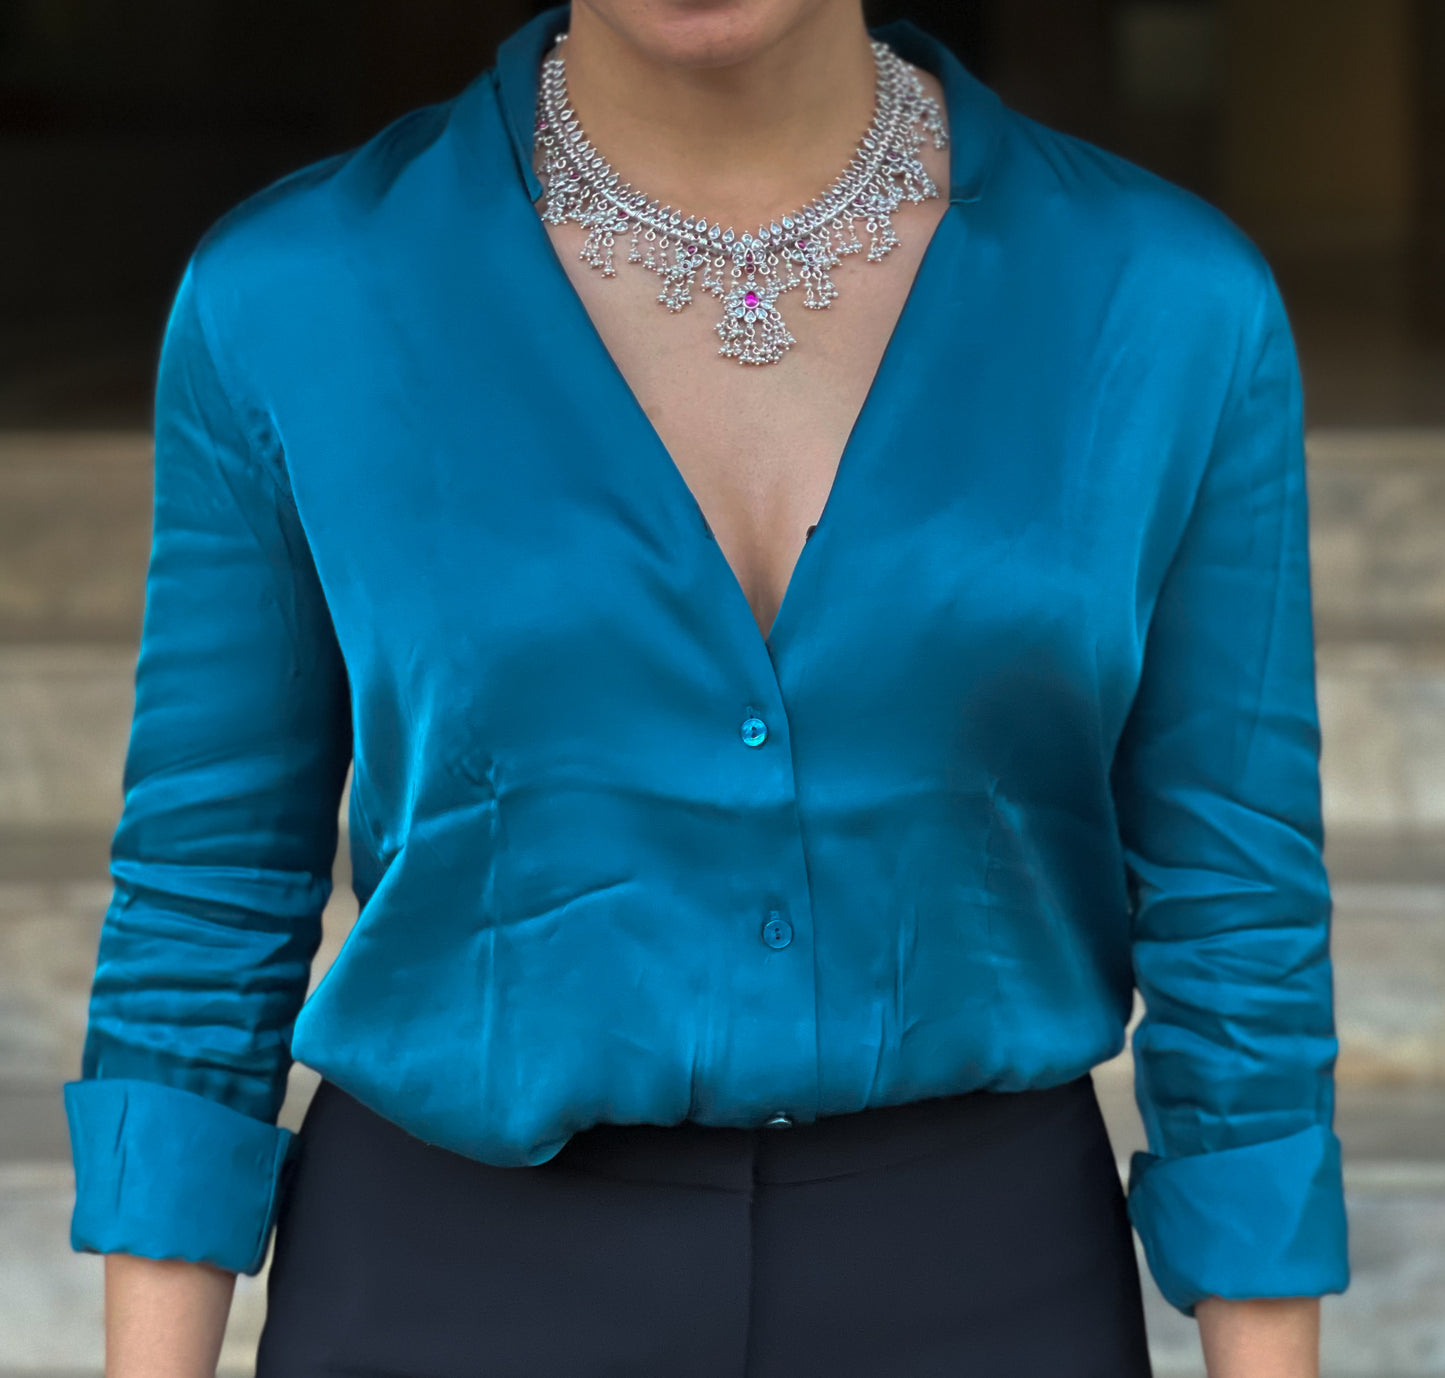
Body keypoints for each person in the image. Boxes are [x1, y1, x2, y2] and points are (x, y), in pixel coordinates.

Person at [62, 1, 1350, 1374]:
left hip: (986, 1286)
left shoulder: (1160, 300)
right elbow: (204, 900)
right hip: (443, 1287)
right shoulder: (295, 296)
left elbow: (1235, 905)